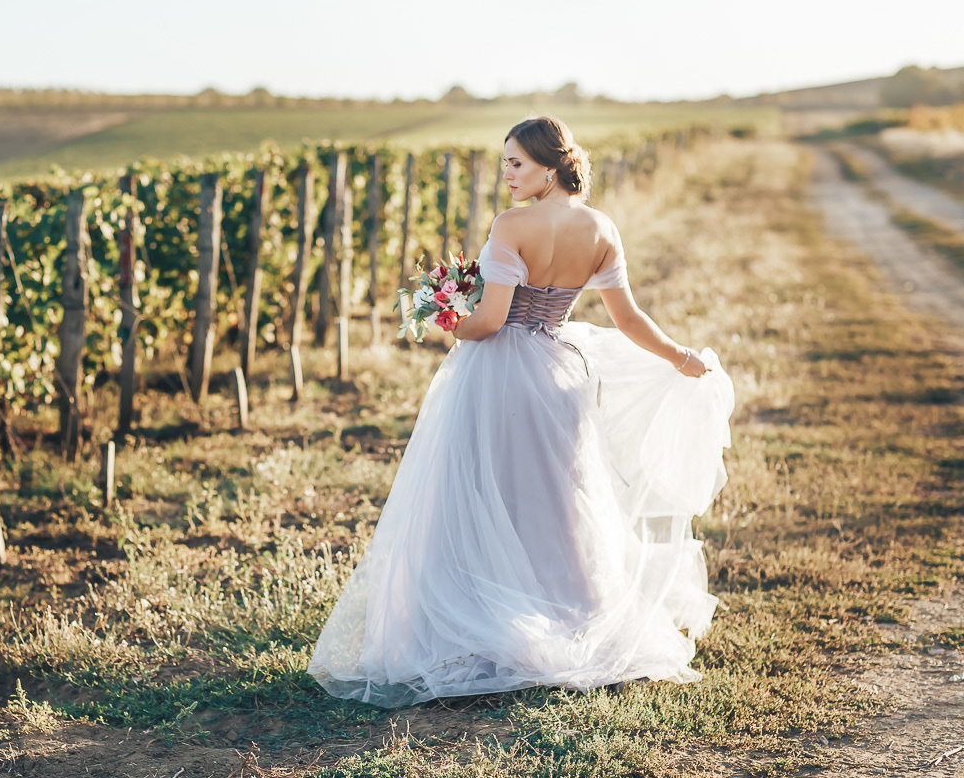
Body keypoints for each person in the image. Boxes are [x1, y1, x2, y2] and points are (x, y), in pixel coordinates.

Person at [306, 116, 735, 708]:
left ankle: (483, 621)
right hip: (560, 375)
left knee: (481, 493)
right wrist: (684, 358)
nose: (505, 174)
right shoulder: (602, 228)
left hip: (500, 376)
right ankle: (574, 616)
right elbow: (629, 319)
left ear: (551, 165)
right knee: (557, 501)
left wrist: (444, 318)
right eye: (504, 162)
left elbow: (489, 323)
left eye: (516, 163)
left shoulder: (512, 225)